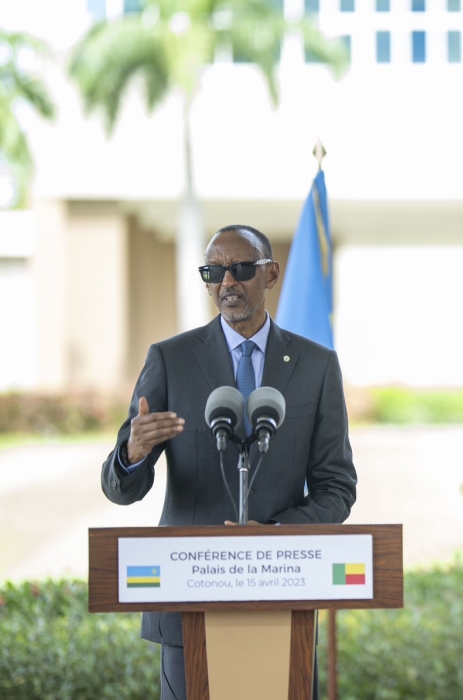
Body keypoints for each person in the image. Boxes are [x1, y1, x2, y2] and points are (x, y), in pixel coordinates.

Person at [100, 224, 357, 700]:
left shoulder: (316, 365)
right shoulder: (170, 359)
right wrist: (132, 455)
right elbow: (120, 488)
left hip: (284, 592)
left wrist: (275, 538)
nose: (226, 283)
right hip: (186, 600)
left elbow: (337, 487)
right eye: (213, 272)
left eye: (240, 269)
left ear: (271, 275)